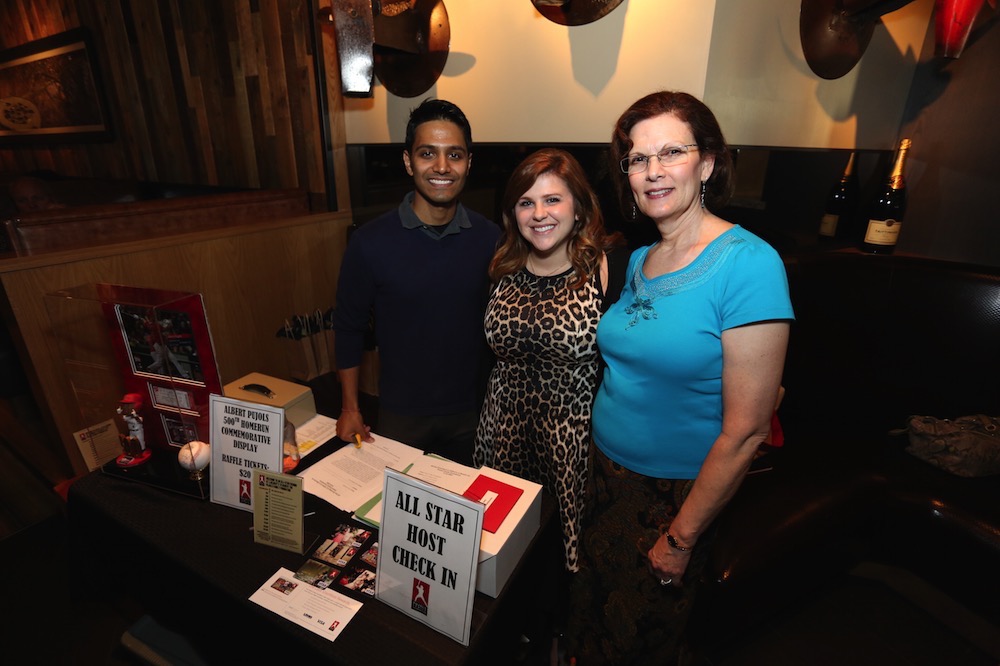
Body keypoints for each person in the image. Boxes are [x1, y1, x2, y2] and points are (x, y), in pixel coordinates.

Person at [564, 91, 794, 665]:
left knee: (639, 640)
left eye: (671, 152)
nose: (653, 171)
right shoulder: (641, 259)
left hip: (671, 499)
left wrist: (680, 537)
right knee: (590, 618)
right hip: (605, 476)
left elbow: (746, 430)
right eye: (638, 159)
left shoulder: (749, 263)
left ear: (708, 163)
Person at [474, 148, 625, 574]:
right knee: (499, 563)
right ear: (513, 213)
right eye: (526, 202)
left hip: (573, 448)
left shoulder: (609, 268)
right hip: (501, 438)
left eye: (552, 199)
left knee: (563, 566)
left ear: (579, 207)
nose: (539, 213)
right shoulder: (503, 266)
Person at [333, 98, 500, 465]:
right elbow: (348, 328)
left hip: (473, 414)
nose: (442, 166)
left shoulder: (491, 239)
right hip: (400, 416)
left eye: (454, 155)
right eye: (428, 153)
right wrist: (350, 408)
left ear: (468, 163)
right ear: (409, 161)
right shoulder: (369, 243)